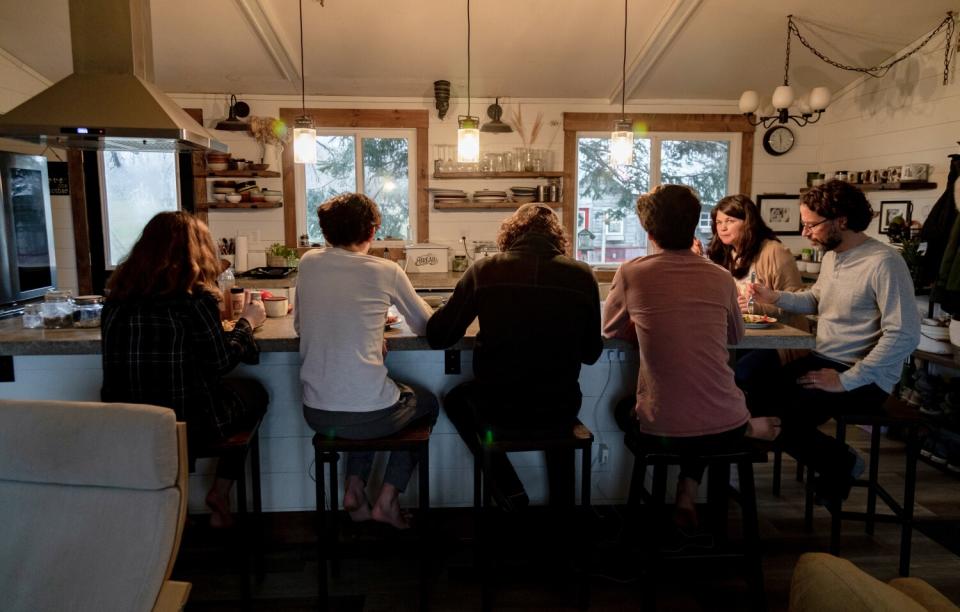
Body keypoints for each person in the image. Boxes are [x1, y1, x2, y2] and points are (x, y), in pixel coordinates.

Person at [603, 185, 780, 529]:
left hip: (663, 430)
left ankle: (668, 503)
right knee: (703, 417)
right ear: (696, 226)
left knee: (625, 413)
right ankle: (737, 435)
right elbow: (735, 336)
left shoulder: (632, 272)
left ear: (649, 232)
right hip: (725, 424)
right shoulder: (721, 277)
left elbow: (609, 330)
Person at [746, 180, 921, 501]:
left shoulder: (884, 262)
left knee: (784, 419)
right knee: (753, 398)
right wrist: (774, 297)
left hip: (865, 377)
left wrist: (845, 380)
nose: (804, 232)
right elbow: (816, 299)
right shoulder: (833, 256)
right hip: (824, 361)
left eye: (811, 224)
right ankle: (839, 462)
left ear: (841, 220)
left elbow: (905, 334)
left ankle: (842, 463)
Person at [426, 203, 603, 510]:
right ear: (558, 237)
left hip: (498, 406)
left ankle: (510, 491)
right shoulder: (582, 275)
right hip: (558, 406)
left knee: (456, 399)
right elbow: (591, 354)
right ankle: (563, 513)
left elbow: (440, 335)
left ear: (511, 233)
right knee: (557, 415)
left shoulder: (485, 270)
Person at [101, 211, 268, 529]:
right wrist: (248, 322)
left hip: (127, 424)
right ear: (199, 251)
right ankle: (219, 492)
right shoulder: (195, 299)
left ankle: (171, 509)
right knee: (256, 393)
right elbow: (220, 362)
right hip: (189, 423)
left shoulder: (117, 299)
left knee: (181, 406)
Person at [296, 193, 438, 529]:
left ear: (327, 233)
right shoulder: (386, 270)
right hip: (370, 415)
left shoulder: (308, 263)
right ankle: (388, 500)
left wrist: (367, 334)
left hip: (316, 412)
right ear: (373, 231)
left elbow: (301, 326)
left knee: (372, 397)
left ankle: (354, 488)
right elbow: (423, 326)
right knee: (427, 403)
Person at [706, 194, 809, 384]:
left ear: (748, 222)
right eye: (718, 221)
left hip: (777, 341)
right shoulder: (723, 252)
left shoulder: (774, 251)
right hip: (741, 335)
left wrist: (756, 307)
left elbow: (797, 303)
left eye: (730, 220)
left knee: (741, 373)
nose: (722, 227)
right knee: (711, 367)